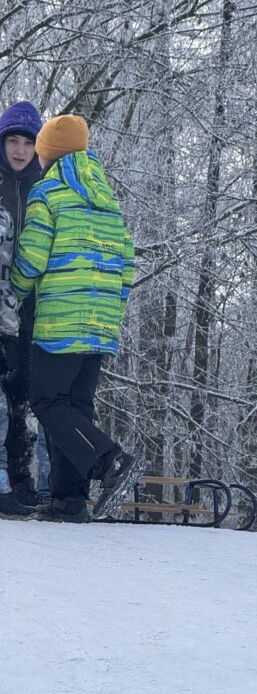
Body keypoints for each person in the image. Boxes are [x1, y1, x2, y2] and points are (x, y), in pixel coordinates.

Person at [10, 114, 140, 522]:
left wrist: (11, 293)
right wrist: (111, 311)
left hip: (61, 320)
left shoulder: (48, 193)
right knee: (76, 407)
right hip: (100, 325)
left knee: (47, 401)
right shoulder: (106, 196)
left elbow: (31, 259)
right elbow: (127, 264)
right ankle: (69, 501)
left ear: (47, 152)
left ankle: (109, 460)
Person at [0, 101, 49, 505]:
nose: (18, 150)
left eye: (27, 142)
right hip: (0, 304)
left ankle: (23, 484)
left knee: (23, 397)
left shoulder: (45, 188)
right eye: (12, 141)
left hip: (33, 308)